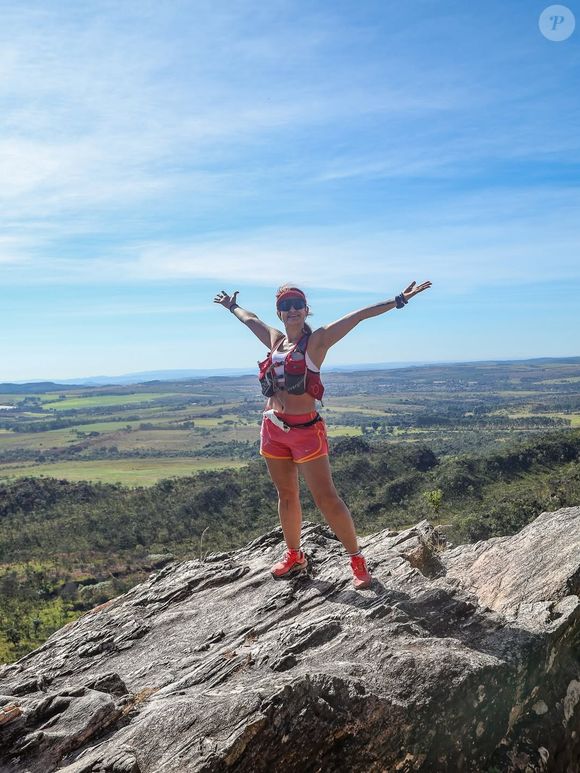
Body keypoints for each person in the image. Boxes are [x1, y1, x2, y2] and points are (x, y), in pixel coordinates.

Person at [214, 280, 432, 589]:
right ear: (279, 313)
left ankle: (357, 559)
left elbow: (356, 316)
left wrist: (399, 299)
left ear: (305, 310)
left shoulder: (317, 342)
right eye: (285, 306)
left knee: (326, 498)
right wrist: (231, 306)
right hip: (273, 429)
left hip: (306, 431)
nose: (292, 310)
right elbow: (250, 320)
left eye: (297, 305)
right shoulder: (275, 341)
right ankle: (294, 555)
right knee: (286, 496)